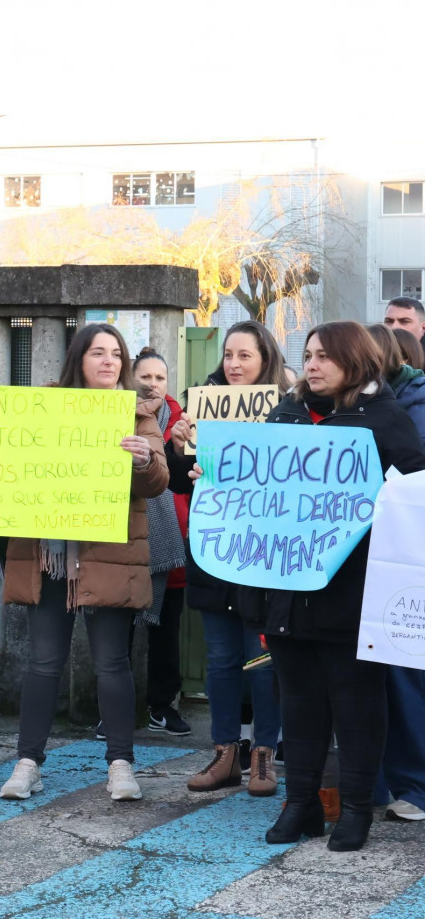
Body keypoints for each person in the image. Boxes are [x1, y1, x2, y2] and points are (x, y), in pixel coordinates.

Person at [236, 321, 425, 851]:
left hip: (354, 591)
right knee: (297, 700)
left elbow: (414, 496)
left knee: (357, 703)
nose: (313, 365)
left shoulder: (385, 420)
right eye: (309, 355)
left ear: (354, 361)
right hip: (288, 590)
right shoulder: (288, 413)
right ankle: (301, 806)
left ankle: (357, 809)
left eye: (324, 356)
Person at [0, 323, 168, 803]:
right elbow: (4, 459)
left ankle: (120, 764)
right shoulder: (42, 408)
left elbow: (159, 477)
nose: (109, 361)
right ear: (79, 359)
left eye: (117, 353)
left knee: (112, 663)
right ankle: (28, 762)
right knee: (43, 662)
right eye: (98, 352)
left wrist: (144, 462)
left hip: (109, 555)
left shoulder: (138, 412)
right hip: (48, 555)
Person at [169, 320, 287, 798]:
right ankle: (224, 753)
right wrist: (180, 452)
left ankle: (264, 755)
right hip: (215, 550)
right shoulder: (202, 406)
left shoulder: (289, 409)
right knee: (220, 658)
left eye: (245, 356)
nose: (234, 364)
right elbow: (179, 483)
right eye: (229, 355)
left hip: (263, 553)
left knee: (262, 658)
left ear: (265, 360)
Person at [365, 324, 425, 825]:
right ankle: (379, 780)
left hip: (404, 560)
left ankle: (414, 786)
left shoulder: (413, 410)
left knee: (404, 673)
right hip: (362, 562)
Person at [131, 347, 190, 736]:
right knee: (116, 634)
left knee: (167, 632)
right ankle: (113, 709)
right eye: (145, 377)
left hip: (173, 546)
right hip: (125, 543)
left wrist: (178, 447)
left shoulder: (184, 421)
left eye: (160, 378)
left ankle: (162, 704)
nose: (153, 384)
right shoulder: (115, 415)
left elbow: (185, 477)